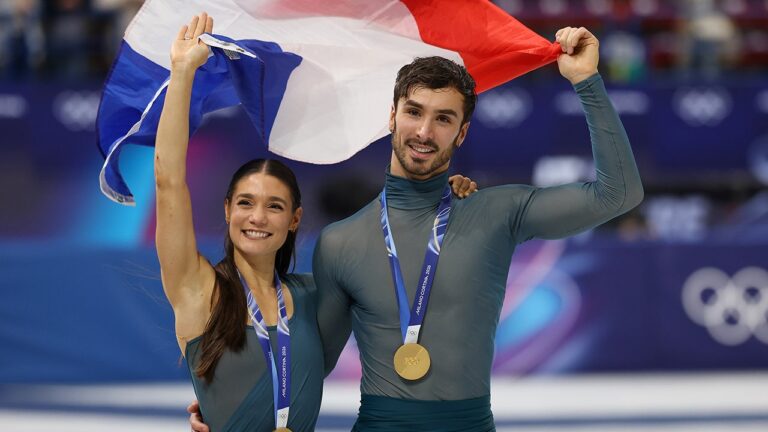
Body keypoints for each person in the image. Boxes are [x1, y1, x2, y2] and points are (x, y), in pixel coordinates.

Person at [309, 27, 643, 430]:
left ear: (462, 132)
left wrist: (585, 81)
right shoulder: (340, 242)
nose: (424, 132)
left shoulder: (496, 213)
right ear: (392, 116)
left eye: (443, 118)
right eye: (414, 112)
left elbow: (618, 194)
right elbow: (311, 369)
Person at [162, 14, 478, 432]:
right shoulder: (198, 290)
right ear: (226, 211)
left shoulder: (316, 296)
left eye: (274, 206)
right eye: (245, 203)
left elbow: (397, 247)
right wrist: (182, 73)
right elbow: (168, 183)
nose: (257, 217)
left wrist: (442, 191)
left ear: (294, 220)